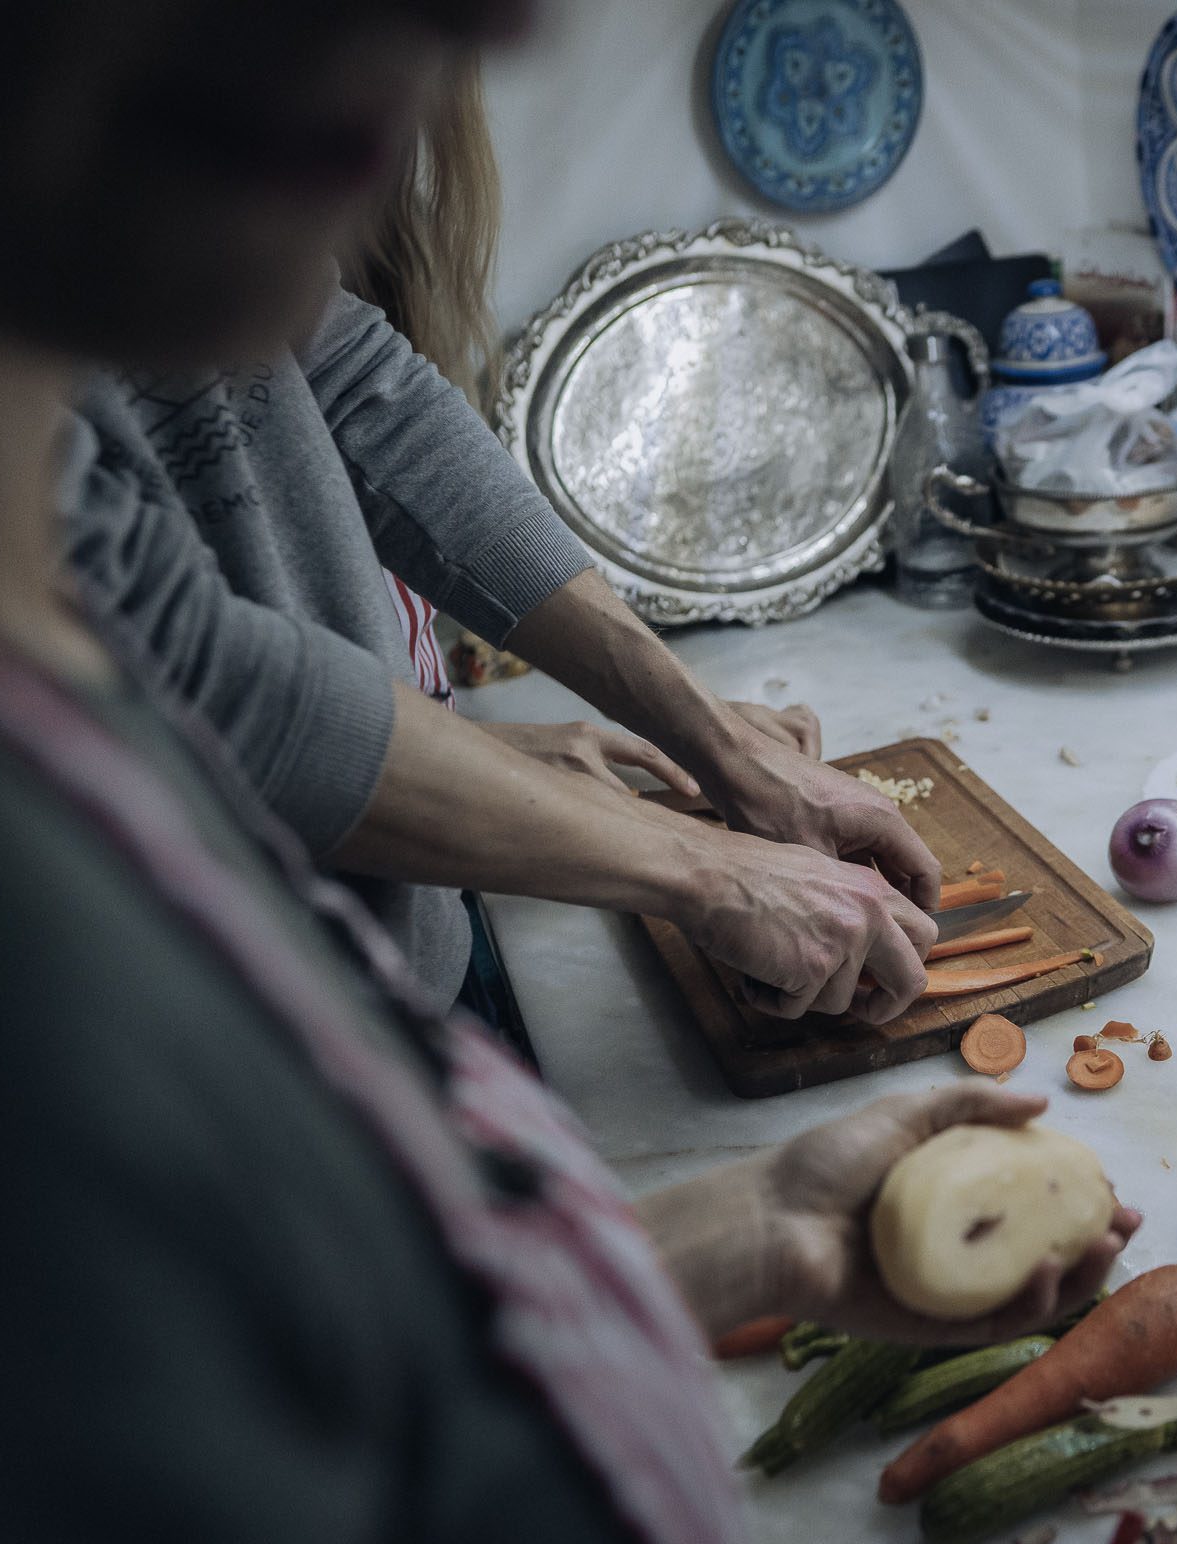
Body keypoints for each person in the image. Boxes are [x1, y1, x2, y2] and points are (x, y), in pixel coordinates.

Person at [0, 3, 1136, 1544]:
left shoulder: (27, 678)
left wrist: (742, 1230)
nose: (504, 20)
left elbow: (343, 1372)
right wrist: (705, 863)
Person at [66, 60, 935, 1023]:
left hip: (400, 939)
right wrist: (710, 872)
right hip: (238, 1013)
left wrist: (723, 744)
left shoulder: (154, 146)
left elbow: (355, 384)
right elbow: (200, 680)